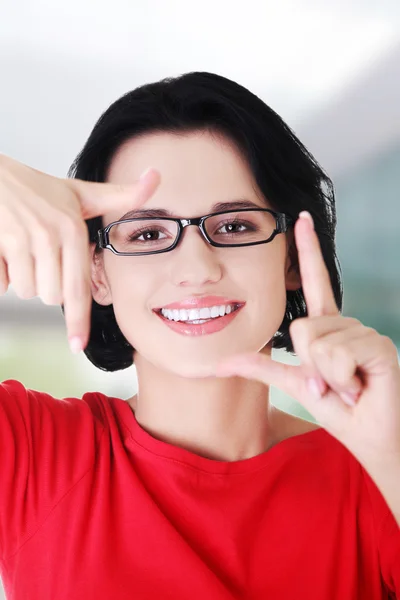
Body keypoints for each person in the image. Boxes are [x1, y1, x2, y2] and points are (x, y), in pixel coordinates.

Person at [0, 71, 399, 599]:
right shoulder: (28, 453)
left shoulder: (376, 472)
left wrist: (391, 455)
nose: (196, 268)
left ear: (293, 260)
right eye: (147, 233)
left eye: (235, 226)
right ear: (96, 272)